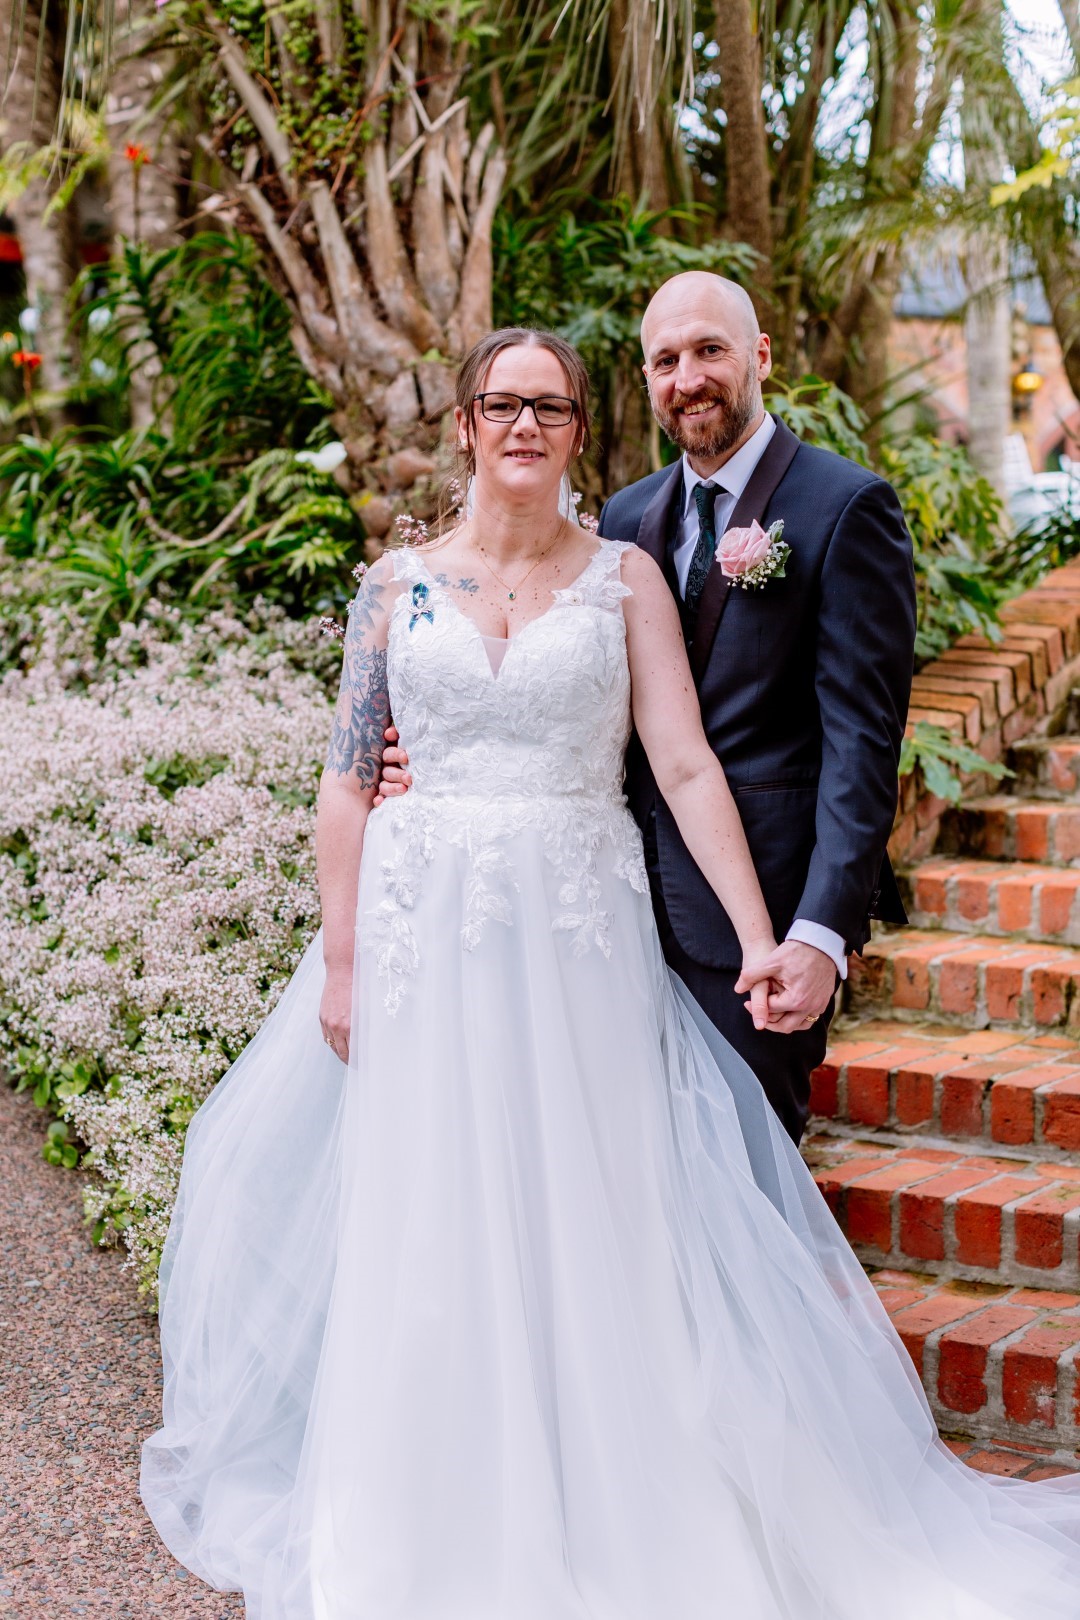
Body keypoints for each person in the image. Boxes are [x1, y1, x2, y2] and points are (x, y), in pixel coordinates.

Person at [142, 328, 1080, 1620]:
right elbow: (347, 785)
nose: (525, 425)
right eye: (501, 404)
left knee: (592, 1208)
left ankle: (611, 1501)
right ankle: (430, 1510)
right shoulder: (393, 589)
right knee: (430, 1210)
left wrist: (762, 936)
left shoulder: (626, 578)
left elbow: (685, 767)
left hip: (577, 941)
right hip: (422, 947)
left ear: (582, 430)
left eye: (551, 406)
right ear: (465, 425)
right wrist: (342, 962)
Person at [378, 274, 916, 1144]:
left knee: (747, 1161)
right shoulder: (629, 517)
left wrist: (819, 933)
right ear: (646, 378)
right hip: (604, 908)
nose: (688, 378)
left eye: (710, 350)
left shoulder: (843, 506)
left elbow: (864, 743)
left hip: (761, 912)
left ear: (760, 356)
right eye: (666, 360)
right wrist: (426, 763)